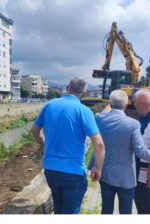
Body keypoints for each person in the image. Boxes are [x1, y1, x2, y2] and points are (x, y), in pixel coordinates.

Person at [88, 90, 150, 214]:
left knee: (106, 210)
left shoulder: (99, 118)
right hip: (126, 179)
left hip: (106, 174)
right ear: (126, 106)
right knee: (126, 212)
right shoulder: (133, 124)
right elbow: (140, 151)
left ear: (110, 103)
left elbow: (104, 113)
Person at [31, 77, 105, 214]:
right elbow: (99, 143)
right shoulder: (84, 110)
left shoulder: (48, 106)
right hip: (73, 172)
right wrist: (98, 167)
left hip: (50, 169)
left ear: (67, 88)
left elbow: (35, 130)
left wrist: (45, 144)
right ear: (84, 94)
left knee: (58, 209)